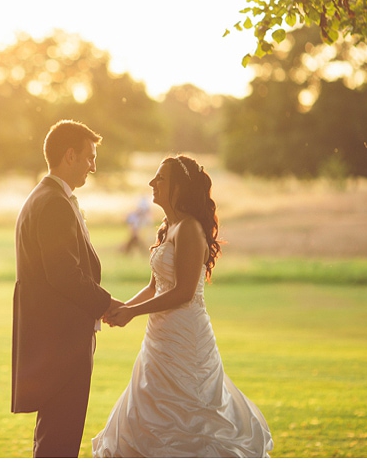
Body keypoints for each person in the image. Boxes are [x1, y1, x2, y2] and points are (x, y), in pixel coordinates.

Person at [93, 155, 274, 457]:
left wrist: (132, 313)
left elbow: (184, 293)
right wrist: (122, 308)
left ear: (179, 187)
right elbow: (154, 286)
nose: (153, 183)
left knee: (191, 413)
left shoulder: (189, 228)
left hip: (185, 337)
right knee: (150, 405)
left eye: (160, 178)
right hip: (159, 337)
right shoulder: (169, 226)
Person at [12, 120, 123, 457]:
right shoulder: (55, 203)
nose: (93, 165)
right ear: (70, 156)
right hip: (62, 339)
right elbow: (63, 273)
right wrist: (106, 304)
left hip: (54, 336)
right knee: (61, 434)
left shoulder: (47, 196)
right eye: (89, 157)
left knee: (55, 432)